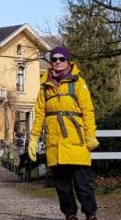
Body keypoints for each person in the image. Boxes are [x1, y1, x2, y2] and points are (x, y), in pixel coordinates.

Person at [28, 46, 100, 220]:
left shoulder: (78, 83)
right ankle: (70, 215)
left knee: (83, 184)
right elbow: (39, 115)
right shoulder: (45, 87)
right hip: (55, 144)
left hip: (77, 142)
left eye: (62, 59)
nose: (58, 62)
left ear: (68, 61)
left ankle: (90, 214)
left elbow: (88, 111)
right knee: (62, 185)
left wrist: (91, 135)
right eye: (54, 59)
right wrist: (34, 138)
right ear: (51, 62)